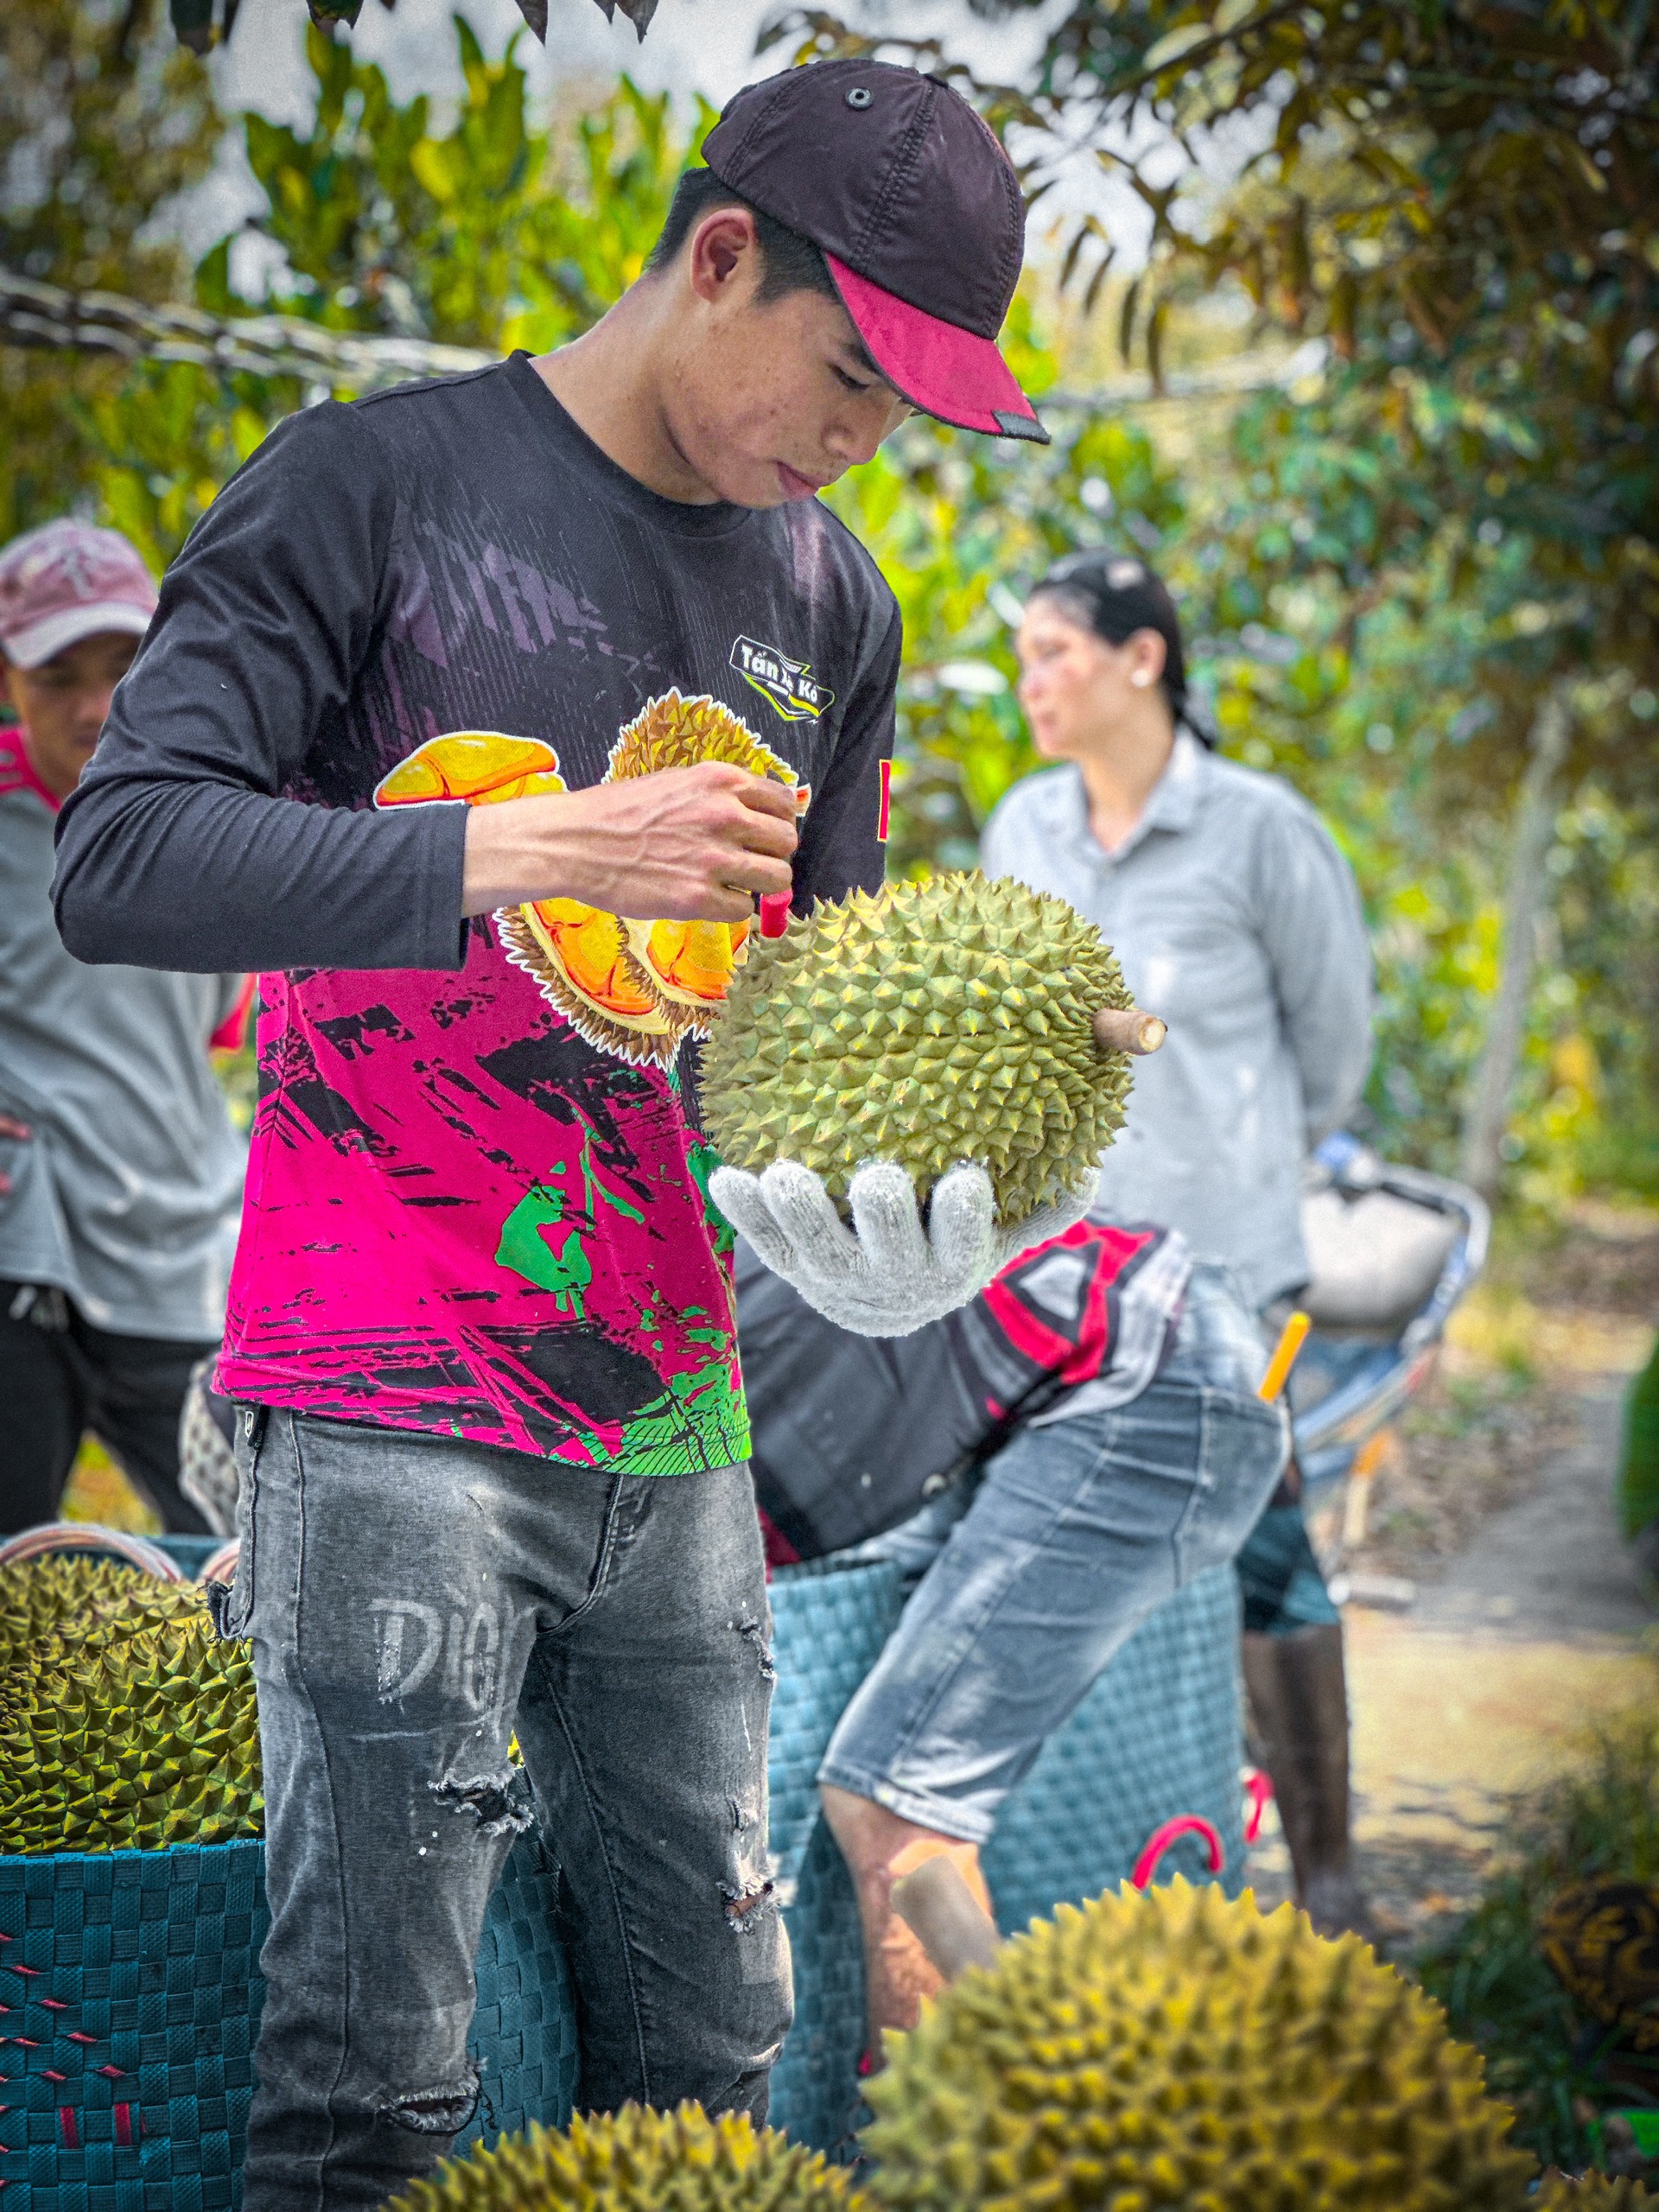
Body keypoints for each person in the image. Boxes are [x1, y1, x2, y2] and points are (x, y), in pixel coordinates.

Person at [52, 61, 1051, 2212]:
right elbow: (122, 857)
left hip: (677, 1425)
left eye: (903, 420)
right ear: (718, 258)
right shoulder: (369, 486)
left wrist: (900, 1199)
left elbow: (806, 1025)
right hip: (384, 1390)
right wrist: (530, 841)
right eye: (852, 378)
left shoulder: (830, 601)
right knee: (372, 2084)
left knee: (712, 2043)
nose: (861, 448)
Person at [981, 549, 1378, 1938]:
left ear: (1142, 659)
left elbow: (1333, 1050)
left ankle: (1325, 1872)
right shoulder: (1024, 829)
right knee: (1086, 1544)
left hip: (1225, 1267)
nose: (1033, 682)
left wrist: (1244, 1162)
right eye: (1024, 658)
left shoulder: (1262, 831)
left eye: (1055, 652)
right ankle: (1133, 1857)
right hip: (1061, 1268)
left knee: (1262, 1540)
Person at [735, 1216, 1287, 2049]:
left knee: (893, 1804)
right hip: (1134, 1338)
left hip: (1148, 1370)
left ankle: (962, 2156)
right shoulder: (664, 1290)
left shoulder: (664, 1417)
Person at [0, 518, 249, 1537]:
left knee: (256, 1556)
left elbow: (223, 1027)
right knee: (16, 1563)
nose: (95, 707)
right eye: (57, 675)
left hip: (179, 1244)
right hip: (28, 1246)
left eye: (121, 665)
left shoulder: (215, 813)